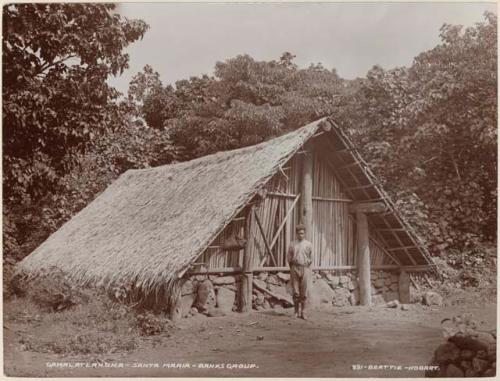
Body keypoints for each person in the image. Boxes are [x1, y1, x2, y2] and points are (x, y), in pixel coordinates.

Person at [287, 224, 313, 319]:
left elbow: (311, 258)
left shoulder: (308, 244)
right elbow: (289, 257)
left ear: (304, 233)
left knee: (304, 292)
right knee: (296, 291)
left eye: (302, 233)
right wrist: (293, 266)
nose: (300, 235)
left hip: (305, 268)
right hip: (294, 268)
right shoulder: (292, 244)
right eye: (299, 233)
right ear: (296, 234)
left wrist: (306, 265)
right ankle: (295, 312)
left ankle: (303, 312)